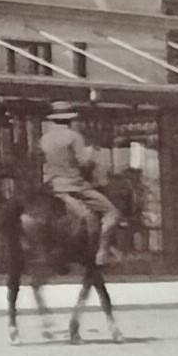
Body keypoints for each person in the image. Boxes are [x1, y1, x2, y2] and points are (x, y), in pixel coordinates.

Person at [39, 101, 119, 263]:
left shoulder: (44, 139)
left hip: (52, 184)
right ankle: (102, 252)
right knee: (112, 213)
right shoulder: (74, 137)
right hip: (74, 185)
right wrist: (92, 152)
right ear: (70, 119)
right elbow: (83, 163)